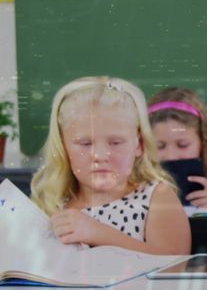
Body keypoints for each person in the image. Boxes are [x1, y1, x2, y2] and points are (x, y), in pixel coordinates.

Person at [31, 76, 190, 255]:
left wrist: (99, 233)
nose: (100, 156)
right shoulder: (52, 204)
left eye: (115, 143)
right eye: (85, 143)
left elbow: (175, 264)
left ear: (139, 145)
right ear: (63, 146)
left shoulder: (156, 197)